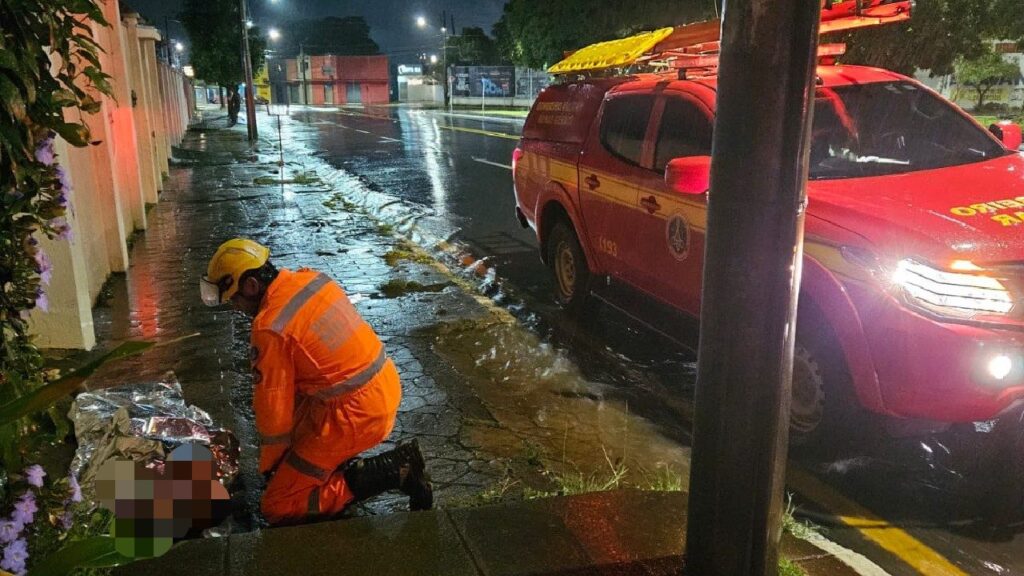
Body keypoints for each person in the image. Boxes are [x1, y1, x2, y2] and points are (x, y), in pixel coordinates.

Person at [200, 239, 432, 525]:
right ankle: (333, 467)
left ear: (251, 285)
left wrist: (271, 469)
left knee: (278, 505)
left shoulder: (269, 327)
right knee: (297, 431)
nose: (236, 308)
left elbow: (273, 414)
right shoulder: (311, 278)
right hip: (383, 385)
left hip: (354, 415)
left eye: (234, 299)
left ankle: (395, 470)